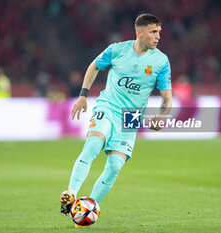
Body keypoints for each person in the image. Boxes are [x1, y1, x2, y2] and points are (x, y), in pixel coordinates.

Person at [59, 13, 172, 228]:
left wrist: (162, 116)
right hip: (108, 105)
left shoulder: (161, 61)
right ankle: (71, 193)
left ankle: (87, 208)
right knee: (93, 144)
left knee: (114, 166)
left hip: (132, 116)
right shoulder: (117, 49)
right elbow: (94, 66)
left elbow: (167, 98)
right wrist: (83, 95)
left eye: (159, 32)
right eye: (153, 32)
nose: (158, 37)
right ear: (139, 32)